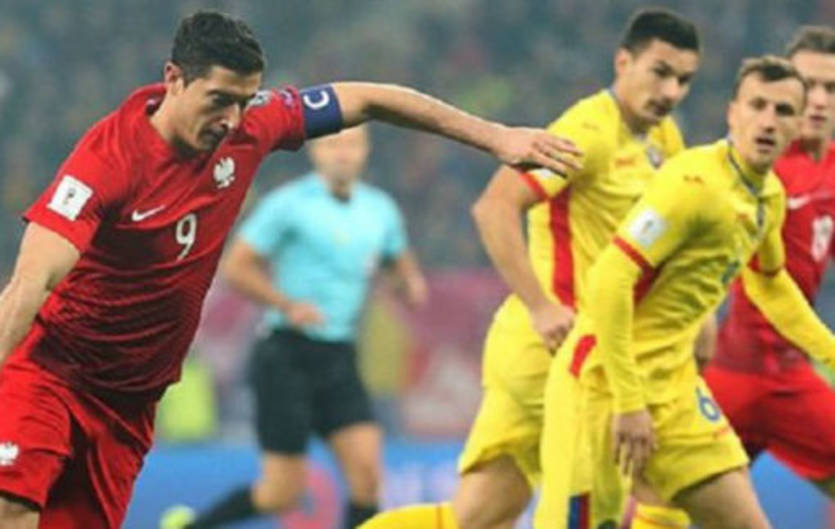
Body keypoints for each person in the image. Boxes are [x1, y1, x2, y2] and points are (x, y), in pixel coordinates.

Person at [0, 10, 580, 529]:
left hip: (129, 405)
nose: (232, 119)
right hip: (52, 372)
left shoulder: (256, 125)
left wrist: (494, 136)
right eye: (219, 100)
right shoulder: (107, 162)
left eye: (244, 100)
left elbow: (371, 98)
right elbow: (31, 283)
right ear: (174, 78)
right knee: (13, 506)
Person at [359, 9, 700, 529]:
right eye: (660, 72)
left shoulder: (664, 138)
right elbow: (494, 207)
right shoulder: (587, 132)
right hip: (560, 352)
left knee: (475, 517)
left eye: (683, 80)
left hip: (557, 350)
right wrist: (541, 307)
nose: (670, 91)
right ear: (623, 62)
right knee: (622, 502)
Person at [538, 55, 835, 529]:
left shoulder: (768, 196)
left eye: (783, 111)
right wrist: (629, 400)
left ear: (799, 124)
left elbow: (770, 283)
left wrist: (830, 352)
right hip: (602, 382)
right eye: (757, 105)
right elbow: (610, 277)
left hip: (675, 388)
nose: (767, 121)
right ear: (732, 113)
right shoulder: (693, 183)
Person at [163, 124, 427, 529]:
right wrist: (286, 304)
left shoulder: (380, 210)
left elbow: (399, 261)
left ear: (365, 151)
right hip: (286, 354)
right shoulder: (288, 204)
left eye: (352, 144)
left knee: (368, 477)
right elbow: (237, 267)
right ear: (316, 152)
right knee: (281, 493)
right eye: (334, 144)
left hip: (339, 355)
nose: (343, 153)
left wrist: (408, 283)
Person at [704, 25, 835, 498]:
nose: (818, 101)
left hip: (791, 378)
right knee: (662, 504)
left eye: (830, 88)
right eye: (808, 86)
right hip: (727, 371)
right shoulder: (757, 165)